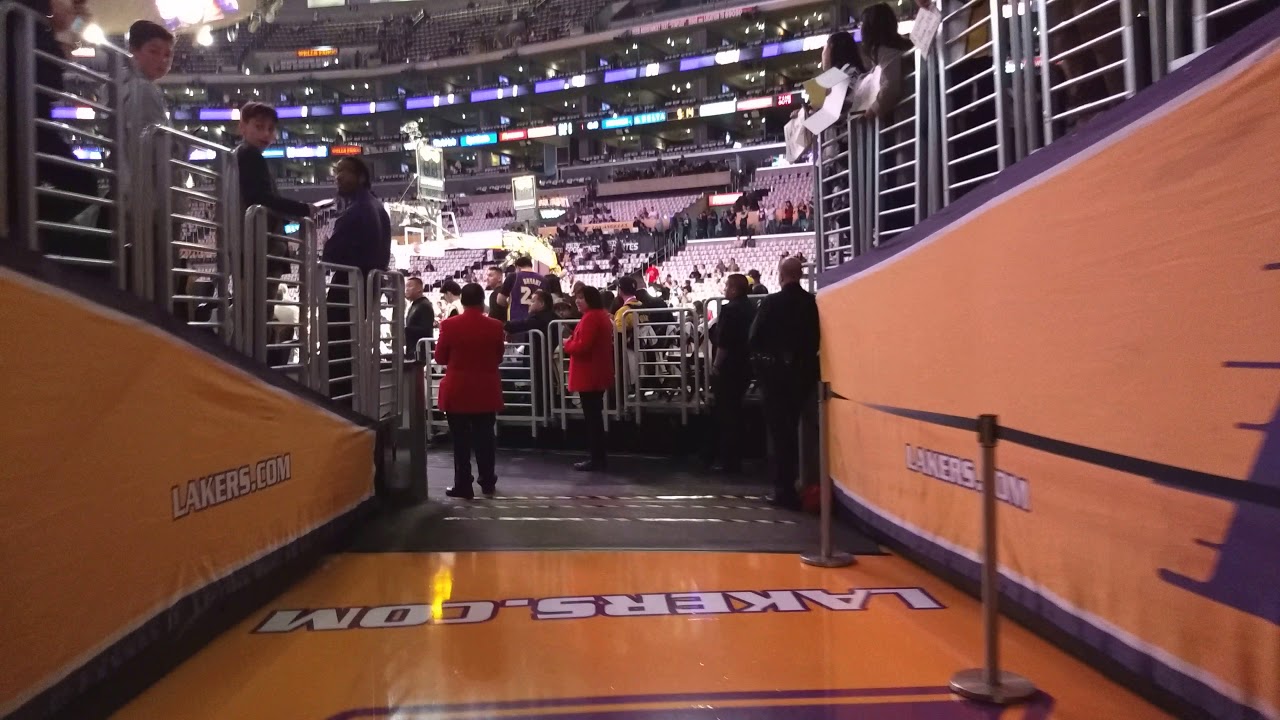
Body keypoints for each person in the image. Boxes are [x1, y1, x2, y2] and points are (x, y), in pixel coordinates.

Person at [748, 257, 819, 509]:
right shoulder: (812, 302)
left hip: (777, 379)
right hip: (806, 377)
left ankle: (784, 491)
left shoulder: (771, 302)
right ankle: (808, 483)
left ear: (781, 275)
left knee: (780, 437)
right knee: (809, 435)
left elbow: (754, 338)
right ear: (799, 275)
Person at [320, 156, 391, 402]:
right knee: (351, 356)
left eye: (344, 172)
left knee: (338, 359)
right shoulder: (378, 207)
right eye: (336, 172)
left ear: (361, 177)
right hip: (365, 293)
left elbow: (330, 254)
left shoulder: (356, 210)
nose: (338, 177)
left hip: (347, 292)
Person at [434, 283, 505, 499]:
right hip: (485, 389)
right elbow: (499, 357)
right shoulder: (495, 326)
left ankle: (463, 485)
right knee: (486, 439)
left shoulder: (449, 325)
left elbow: (440, 357)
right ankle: (487, 480)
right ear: (483, 300)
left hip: (458, 390)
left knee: (460, 442)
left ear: (462, 301)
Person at [120, 21, 173, 198]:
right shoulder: (143, 89)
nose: (162, 60)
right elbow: (153, 151)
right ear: (133, 50)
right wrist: (182, 145)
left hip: (128, 191)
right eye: (153, 51)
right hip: (149, 199)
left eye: (167, 55)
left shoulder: (119, 87)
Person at [564, 286, 615, 472]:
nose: (577, 301)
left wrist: (567, 344)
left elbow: (582, 346)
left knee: (592, 419)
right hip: (596, 372)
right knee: (594, 417)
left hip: (589, 373)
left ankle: (596, 458)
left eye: (581, 298)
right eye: (577, 297)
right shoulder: (599, 315)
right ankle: (597, 457)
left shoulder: (592, 317)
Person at [709, 274, 756, 474]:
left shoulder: (729, 310)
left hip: (729, 369)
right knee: (736, 412)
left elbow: (724, 343)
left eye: (727, 286)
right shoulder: (752, 308)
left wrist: (716, 365)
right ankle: (736, 458)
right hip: (746, 366)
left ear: (735, 290)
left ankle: (729, 462)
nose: (725, 289)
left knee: (727, 415)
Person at [499, 255, 544, 324]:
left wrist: (511, 302)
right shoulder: (543, 279)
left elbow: (500, 300)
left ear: (518, 267)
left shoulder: (513, 277)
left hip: (516, 322)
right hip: (537, 322)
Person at [404, 276, 435, 358]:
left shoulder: (424, 305)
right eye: (406, 286)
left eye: (410, 286)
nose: (406, 289)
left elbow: (425, 329)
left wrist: (405, 330)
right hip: (415, 349)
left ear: (419, 289)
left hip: (421, 351)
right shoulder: (416, 304)